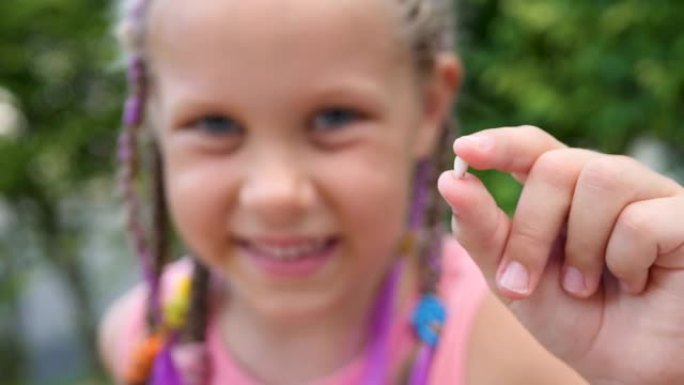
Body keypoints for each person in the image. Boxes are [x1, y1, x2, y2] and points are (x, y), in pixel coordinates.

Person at [99, 0, 684, 384]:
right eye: (215, 125)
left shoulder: (520, 350)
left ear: (429, 103)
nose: (277, 194)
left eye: (333, 118)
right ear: (152, 117)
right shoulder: (143, 339)